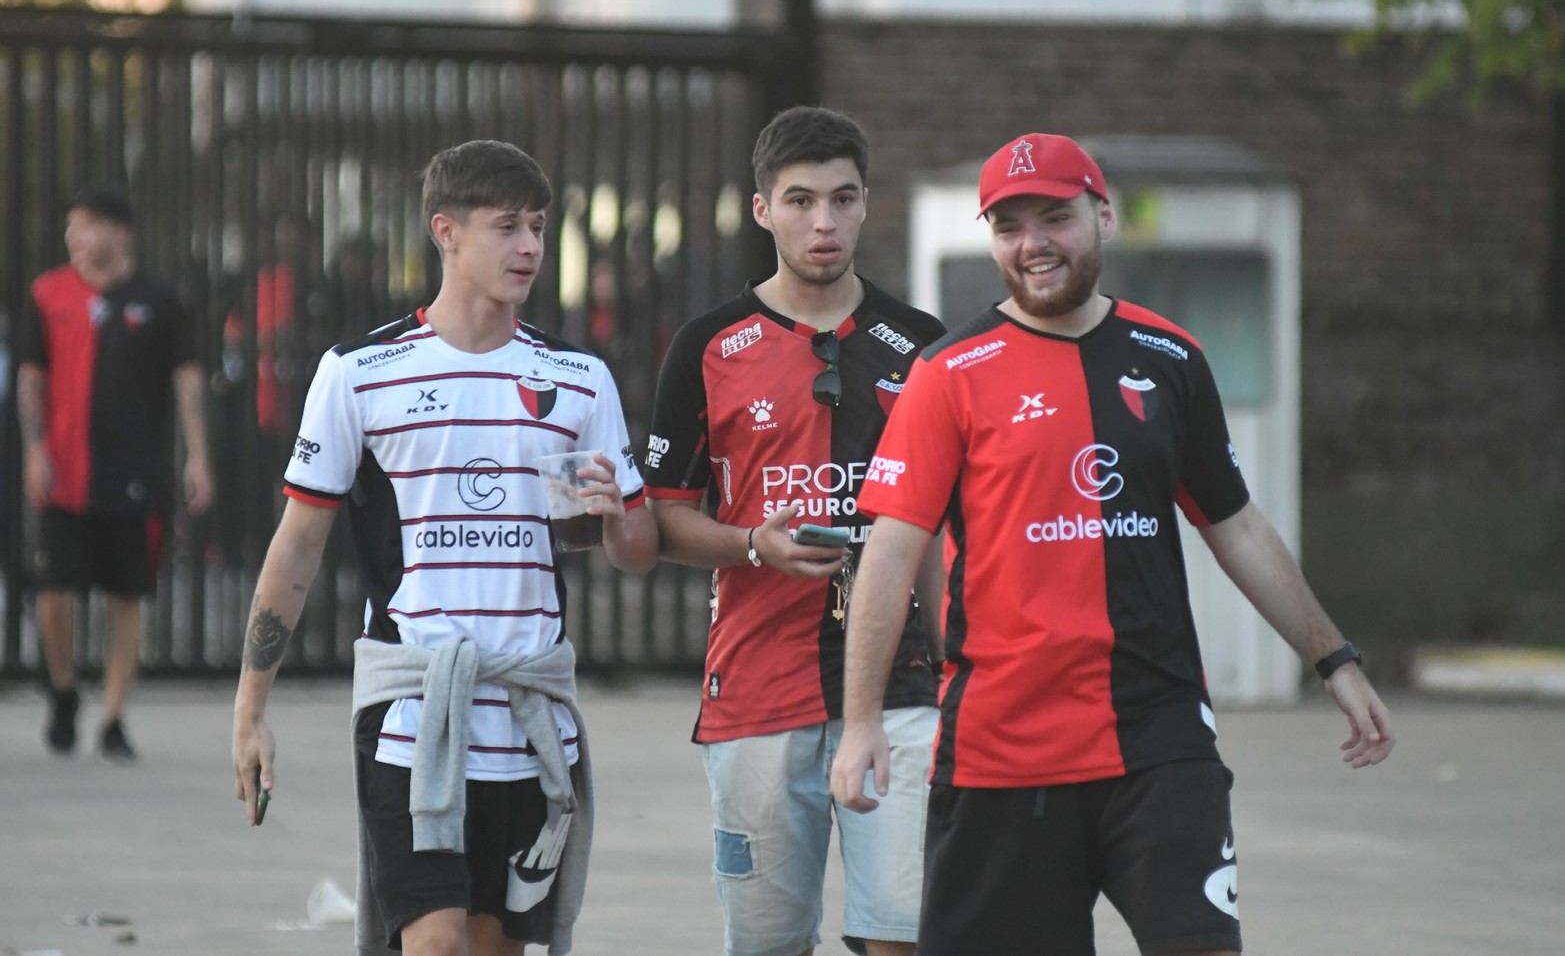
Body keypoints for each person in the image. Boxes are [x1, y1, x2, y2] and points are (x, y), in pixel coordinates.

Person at [828, 132, 1396, 956]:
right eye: (1010, 225)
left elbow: (1234, 524)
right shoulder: (948, 372)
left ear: (1103, 216)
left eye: (1054, 217)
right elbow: (888, 551)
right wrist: (860, 722)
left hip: (1159, 741)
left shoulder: (1169, 358)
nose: (1033, 245)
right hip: (1001, 754)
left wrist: (1332, 658)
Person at [230, 140, 659, 956]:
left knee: (496, 947)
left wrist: (616, 515)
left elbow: (634, 548)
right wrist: (250, 710)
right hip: (412, 713)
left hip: (531, 717)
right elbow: (297, 548)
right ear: (446, 233)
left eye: (537, 226)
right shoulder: (359, 372)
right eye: (507, 227)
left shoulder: (577, 377)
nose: (530, 246)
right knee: (434, 942)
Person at [643, 106, 946, 956]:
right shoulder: (705, 345)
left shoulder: (923, 346)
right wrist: (752, 544)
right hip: (755, 692)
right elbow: (664, 514)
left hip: (903, 691)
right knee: (770, 946)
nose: (824, 221)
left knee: (904, 937)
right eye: (801, 200)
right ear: (761, 209)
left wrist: (960, 663)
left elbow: (944, 533)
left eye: (843, 199)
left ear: (864, 205)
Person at [17, 184, 213, 762]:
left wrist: (197, 454)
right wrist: (34, 449)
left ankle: (114, 715)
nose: (75, 238)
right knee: (56, 591)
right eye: (70, 229)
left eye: (86, 227)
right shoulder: (47, 294)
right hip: (63, 473)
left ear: (119, 233)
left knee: (127, 596)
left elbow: (187, 380)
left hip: (135, 473)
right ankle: (62, 687)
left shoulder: (158, 300)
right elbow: (31, 379)